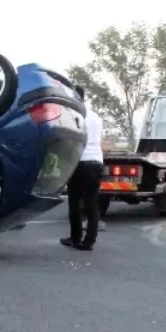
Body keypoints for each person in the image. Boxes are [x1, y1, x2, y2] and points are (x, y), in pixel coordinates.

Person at [61, 88, 104, 252]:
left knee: (75, 203)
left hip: (80, 161)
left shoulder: (73, 114)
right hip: (96, 162)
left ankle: (75, 237)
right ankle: (89, 241)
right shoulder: (96, 117)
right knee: (92, 203)